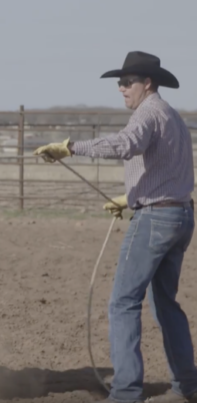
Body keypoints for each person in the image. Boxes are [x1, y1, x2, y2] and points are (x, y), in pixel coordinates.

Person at [34, 51, 197, 403]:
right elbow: (173, 169)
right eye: (119, 83)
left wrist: (71, 148)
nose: (121, 88)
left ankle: (125, 393)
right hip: (180, 216)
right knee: (165, 304)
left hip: (155, 219)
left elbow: (125, 145)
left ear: (147, 83)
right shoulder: (172, 116)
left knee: (123, 303)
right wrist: (129, 197)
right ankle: (187, 385)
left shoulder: (148, 114)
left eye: (127, 82)